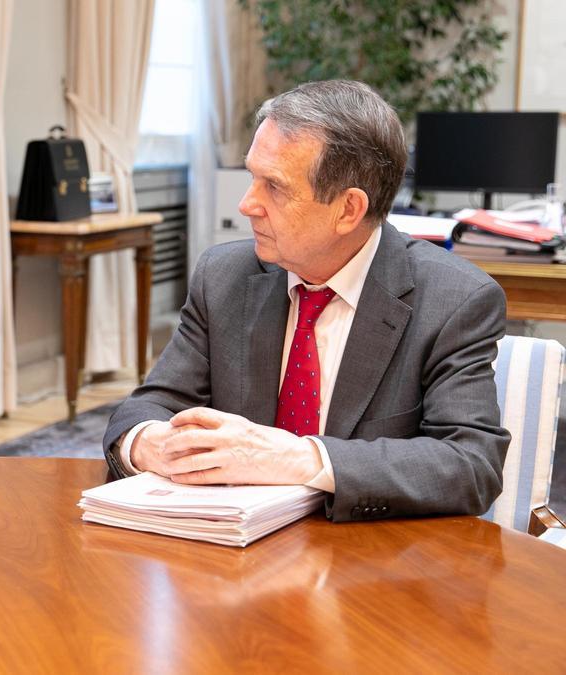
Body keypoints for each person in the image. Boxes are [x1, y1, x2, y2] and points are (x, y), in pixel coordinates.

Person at [103, 80, 509, 521]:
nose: (246, 204)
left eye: (274, 187)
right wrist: (151, 443)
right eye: (251, 177)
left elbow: (471, 465)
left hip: (370, 562)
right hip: (230, 558)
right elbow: (146, 408)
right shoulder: (224, 277)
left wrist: (299, 458)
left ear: (348, 210)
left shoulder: (455, 300)